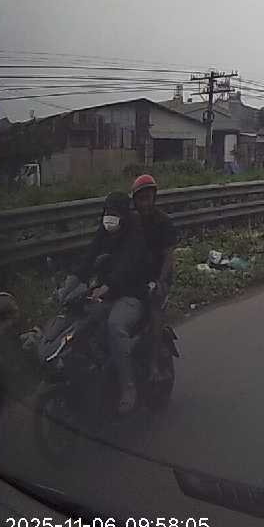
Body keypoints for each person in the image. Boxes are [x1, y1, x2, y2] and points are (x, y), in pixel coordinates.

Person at [78, 192, 148, 414]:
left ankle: (129, 387)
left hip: (132, 295)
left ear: (124, 215)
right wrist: (71, 282)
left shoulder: (135, 233)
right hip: (108, 294)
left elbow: (127, 264)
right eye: (108, 212)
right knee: (84, 321)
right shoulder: (105, 231)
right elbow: (89, 256)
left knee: (115, 325)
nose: (110, 217)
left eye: (115, 213)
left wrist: (108, 286)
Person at [130, 174, 178, 368]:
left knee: (154, 308)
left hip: (158, 275)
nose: (145, 203)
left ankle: (154, 362)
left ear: (154, 198)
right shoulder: (131, 221)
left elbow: (168, 256)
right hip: (136, 275)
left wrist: (160, 281)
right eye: (141, 199)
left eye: (148, 198)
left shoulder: (163, 222)